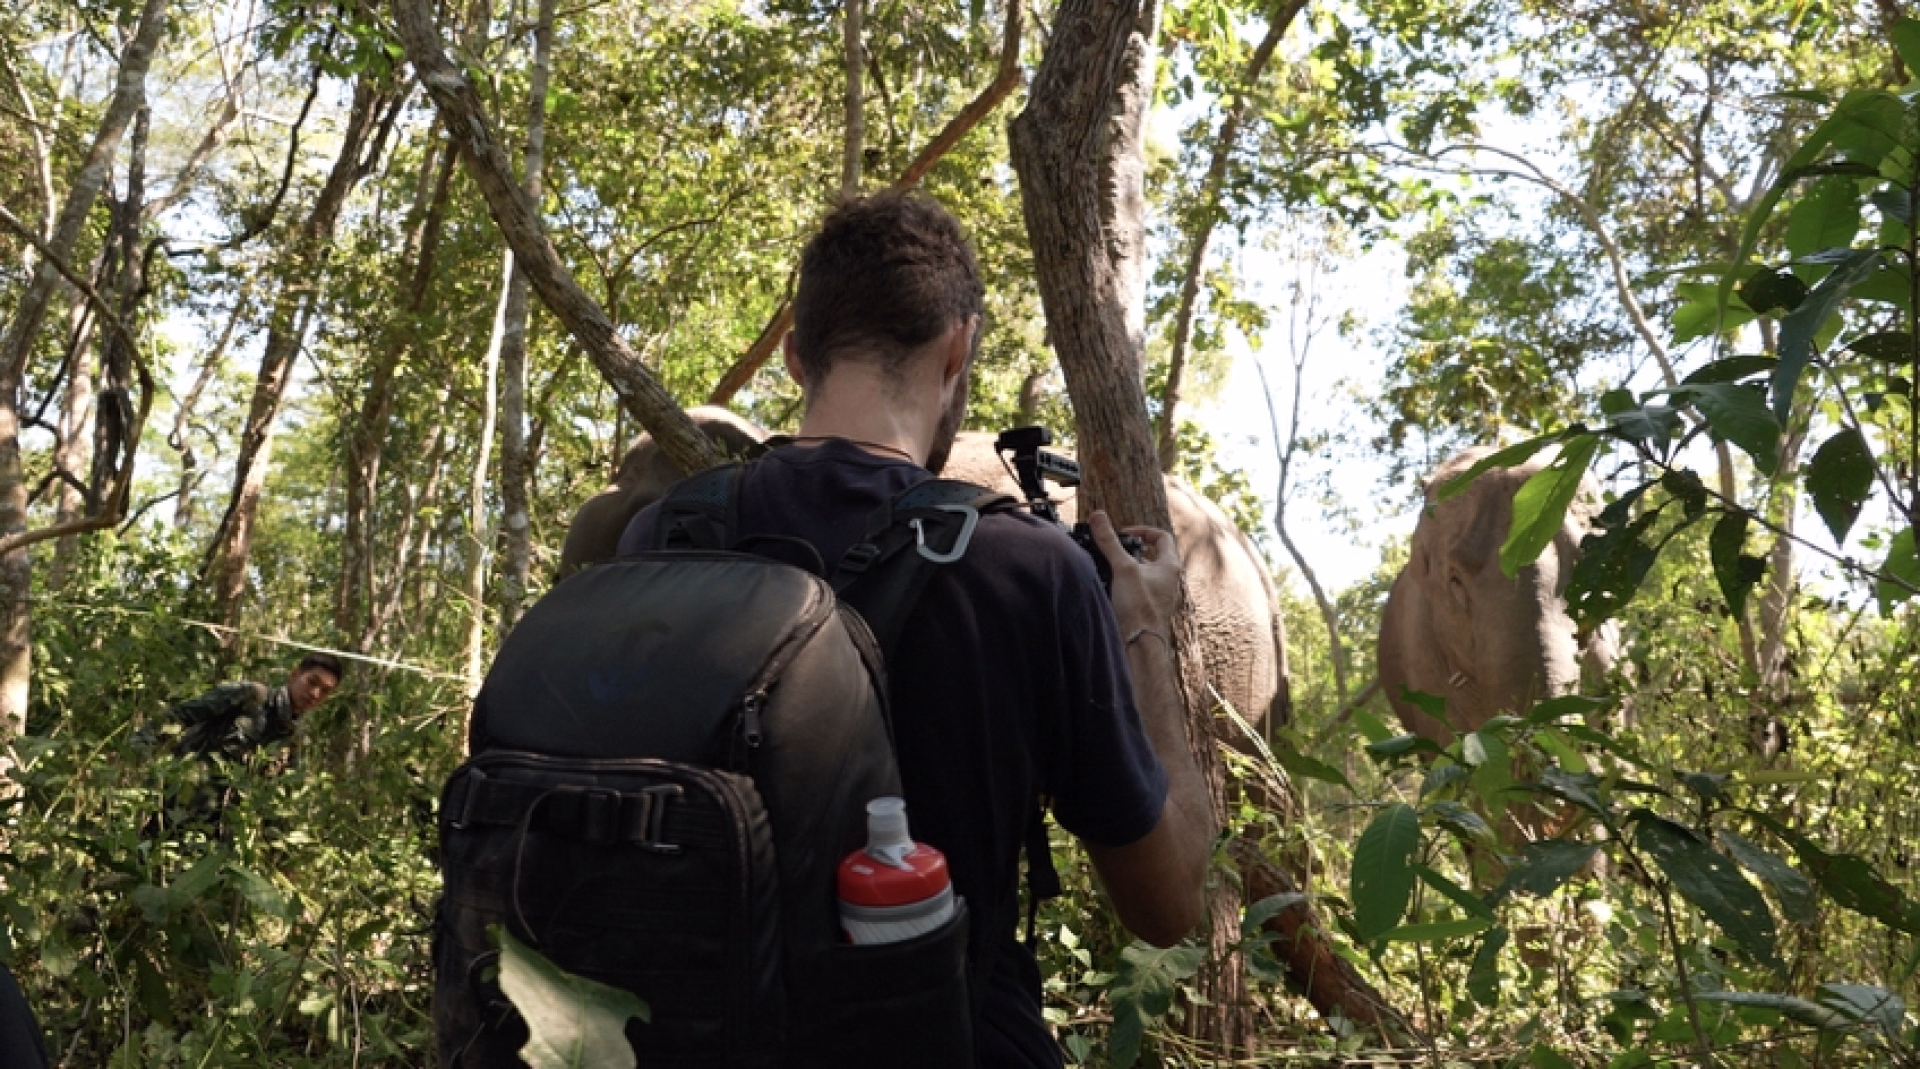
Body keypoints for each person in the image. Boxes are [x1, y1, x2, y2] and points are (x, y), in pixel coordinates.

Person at [615, 193, 1214, 1067]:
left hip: (683, 1039)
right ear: (958, 348)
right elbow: (1169, 904)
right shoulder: (1028, 568)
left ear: (793, 355)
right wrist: (1144, 631)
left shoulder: (661, 539)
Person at [167, 652, 344, 760]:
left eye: (325, 691)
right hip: (175, 804)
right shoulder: (250, 695)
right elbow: (180, 715)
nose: (315, 693)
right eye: (312, 682)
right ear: (295, 675)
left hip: (218, 819)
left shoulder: (291, 738)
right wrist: (140, 749)